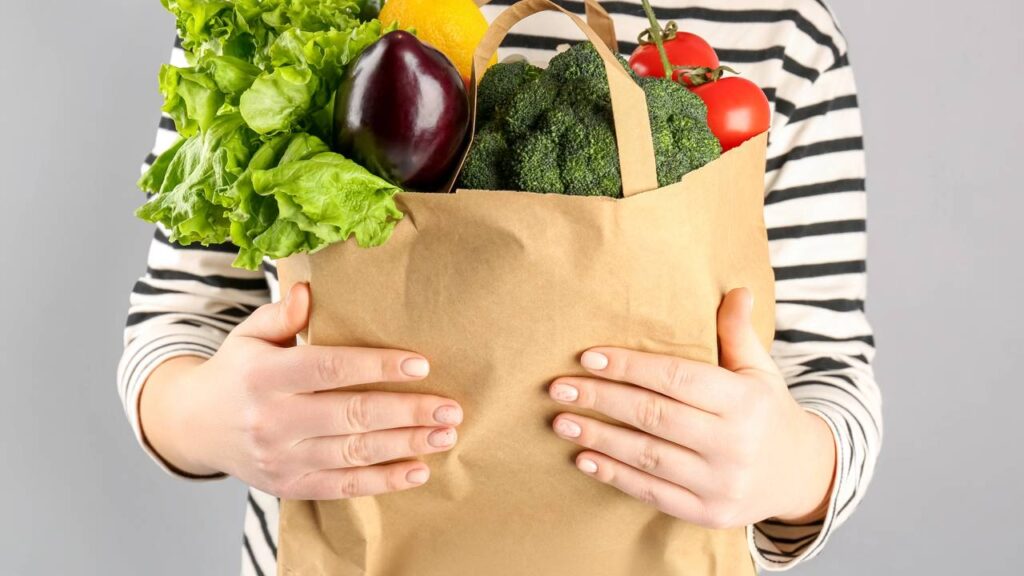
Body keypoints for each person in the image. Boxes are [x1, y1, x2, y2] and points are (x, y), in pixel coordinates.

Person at [118, 0, 881, 573]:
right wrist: (207, 416)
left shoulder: (783, 31)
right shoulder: (270, 21)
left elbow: (830, 372)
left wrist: (789, 466)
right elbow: (179, 315)